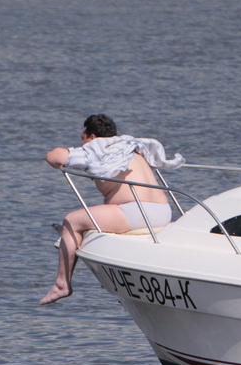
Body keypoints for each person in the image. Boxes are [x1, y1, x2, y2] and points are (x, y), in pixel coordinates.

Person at [40, 115, 184, 305]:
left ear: (92, 136)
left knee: (72, 221)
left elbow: (54, 157)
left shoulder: (97, 147)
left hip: (136, 212)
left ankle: (61, 284)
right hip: (163, 212)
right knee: (93, 216)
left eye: (82, 138)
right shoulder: (129, 146)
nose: (81, 143)